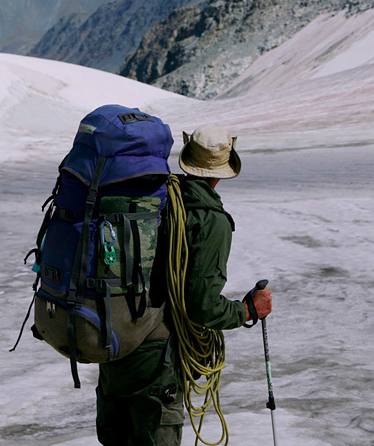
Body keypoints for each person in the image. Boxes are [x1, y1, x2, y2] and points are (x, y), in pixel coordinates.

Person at [95, 123, 273, 446]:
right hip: (155, 358)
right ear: (221, 172)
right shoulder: (210, 220)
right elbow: (201, 305)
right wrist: (248, 310)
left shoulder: (158, 198)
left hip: (116, 341)